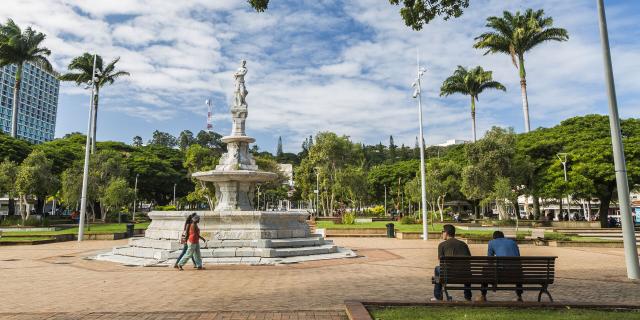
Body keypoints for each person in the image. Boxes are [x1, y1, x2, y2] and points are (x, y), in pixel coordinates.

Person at [477, 231, 523, 302]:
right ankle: (519, 296)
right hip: (516, 273)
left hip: (502, 274)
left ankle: (483, 295)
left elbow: (490, 260)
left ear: (494, 237)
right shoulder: (513, 242)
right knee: (516, 267)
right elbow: (518, 258)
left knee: (485, 270)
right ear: (503, 236)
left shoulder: (492, 242)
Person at [432, 224, 472, 301]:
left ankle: (438, 295)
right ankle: (468, 296)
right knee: (466, 269)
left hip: (449, 274)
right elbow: (469, 259)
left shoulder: (442, 245)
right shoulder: (463, 244)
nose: (442, 233)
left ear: (446, 233)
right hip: (465, 274)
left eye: (442, 232)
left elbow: (440, 260)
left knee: (437, 269)